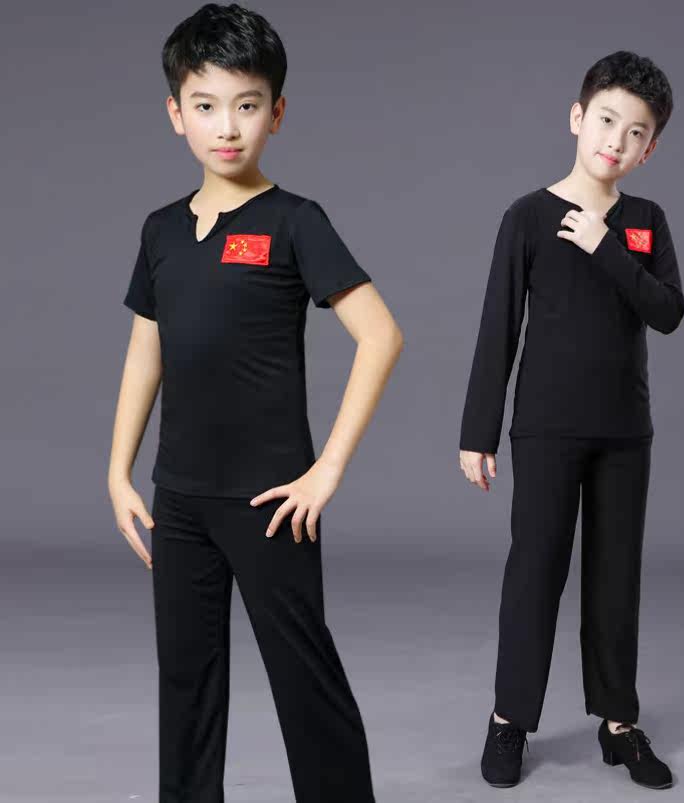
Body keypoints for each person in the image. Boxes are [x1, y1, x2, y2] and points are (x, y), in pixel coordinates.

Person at [106, 5, 403, 801]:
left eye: (246, 104)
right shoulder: (161, 230)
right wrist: (118, 471)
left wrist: (325, 470)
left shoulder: (295, 221)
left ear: (277, 111)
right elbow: (145, 351)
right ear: (176, 113)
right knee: (186, 684)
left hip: (272, 501)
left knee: (305, 682)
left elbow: (380, 336)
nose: (227, 126)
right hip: (180, 499)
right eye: (205, 105)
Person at [458, 50, 684, 791]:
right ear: (577, 117)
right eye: (607, 121)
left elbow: (668, 312)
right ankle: (508, 720)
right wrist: (477, 432)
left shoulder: (645, 222)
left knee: (616, 580)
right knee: (534, 573)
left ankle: (618, 725)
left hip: (624, 432)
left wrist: (606, 247)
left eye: (635, 132)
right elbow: (498, 327)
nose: (616, 141)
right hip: (546, 428)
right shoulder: (526, 217)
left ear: (649, 149)